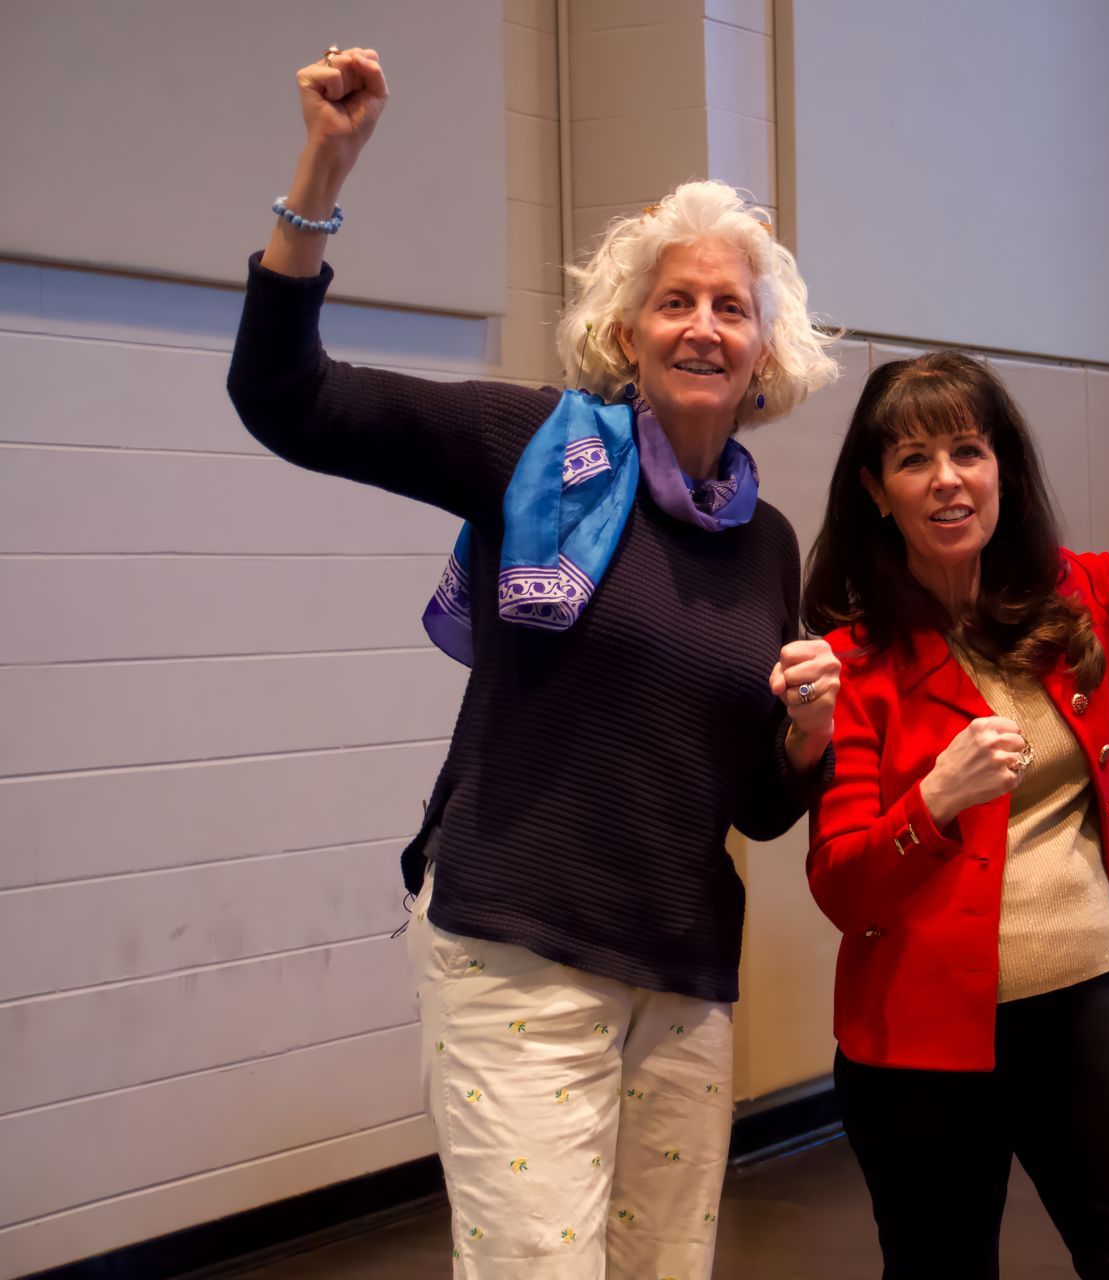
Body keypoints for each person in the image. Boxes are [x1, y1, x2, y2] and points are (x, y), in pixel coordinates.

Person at [226, 49, 841, 1278]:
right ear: (627, 330)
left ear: (767, 349)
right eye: (676, 301)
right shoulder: (537, 450)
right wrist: (323, 173)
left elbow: (758, 808)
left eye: (731, 306)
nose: (703, 327)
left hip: (680, 977)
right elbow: (286, 395)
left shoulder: (768, 540)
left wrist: (810, 737)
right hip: (517, 951)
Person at [801, 341, 1109, 1278]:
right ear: (875, 488)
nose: (948, 481)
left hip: (1083, 1001)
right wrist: (935, 800)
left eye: (969, 452)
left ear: (1003, 468)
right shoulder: (848, 667)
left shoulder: (1082, 597)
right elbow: (844, 888)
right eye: (913, 460)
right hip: (920, 1049)